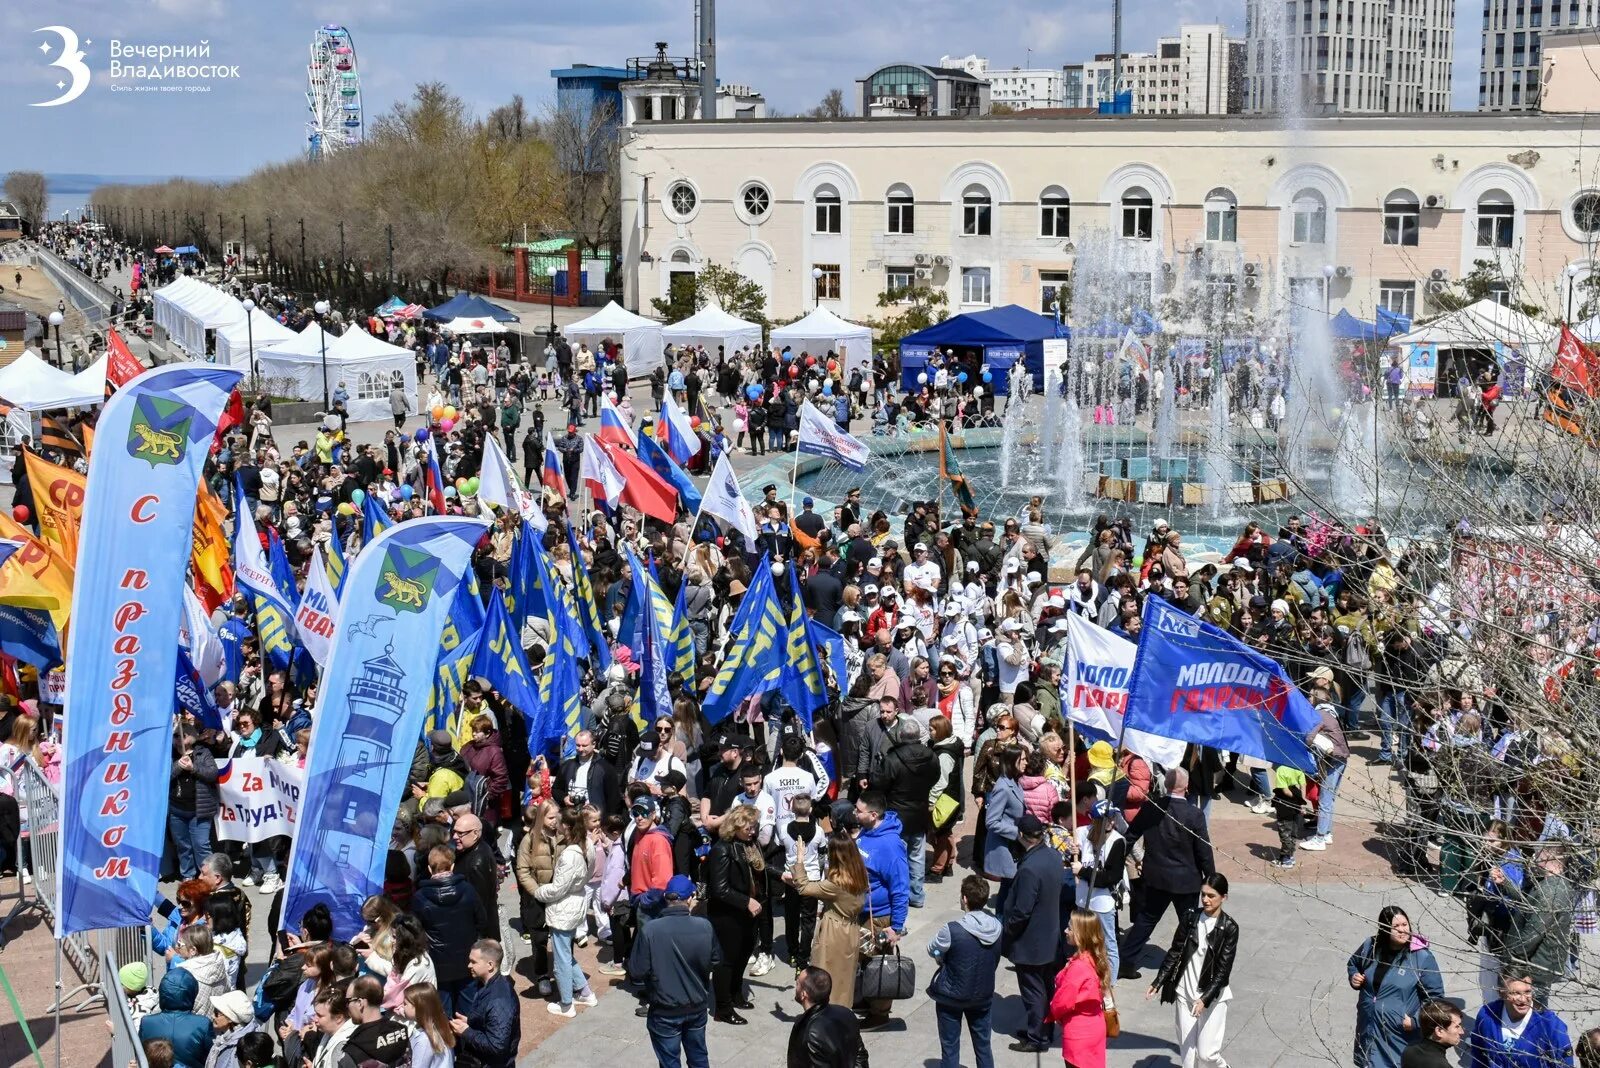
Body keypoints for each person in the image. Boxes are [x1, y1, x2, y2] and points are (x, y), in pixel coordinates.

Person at [1120, 767, 1214, 979]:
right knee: (1189, 923)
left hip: (1156, 877)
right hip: (1186, 880)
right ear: (1187, 787)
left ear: (1167, 785)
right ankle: (1191, 965)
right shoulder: (1194, 815)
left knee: (1146, 919)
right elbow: (1204, 851)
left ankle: (1126, 960)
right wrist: (1211, 880)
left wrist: (1115, 862)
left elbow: (1130, 835)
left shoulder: (1151, 808)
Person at [1147, 872, 1238, 1068]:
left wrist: (1205, 999)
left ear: (1224, 897)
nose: (1205, 899)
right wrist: (1159, 980)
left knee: (1207, 1055)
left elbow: (1223, 970)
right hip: (1185, 994)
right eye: (1203, 894)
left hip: (1212, 998)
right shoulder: (1190, 918)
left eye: (1211, 895)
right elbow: (1176, 950)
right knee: (1188, 1059)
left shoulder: (1229, 928)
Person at [630, 875, 718, 1068]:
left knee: (669, 1063)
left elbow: (637, 971)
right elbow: (715, 960)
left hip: (664, 1009)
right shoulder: (705, 926)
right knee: (699, 1058)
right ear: (689, 898)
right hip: (696, 1006)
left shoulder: (650, 930)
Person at [1349, 906, 1445, 1068]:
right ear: (1385, 929)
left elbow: (1435, 998)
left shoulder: (1421, 957)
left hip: (1398, 1035)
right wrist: (1354, 977)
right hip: (1368, 1027)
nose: (1402, 930)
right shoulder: (1370, 946)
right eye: (1396, 927)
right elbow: (1353, 963)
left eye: (1405, 925)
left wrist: (1415, 1021)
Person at [787, 829, 869, 1012]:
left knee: (824, 976)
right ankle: (843, 1013)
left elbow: (804, 887)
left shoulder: (837, 882)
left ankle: (822, 1016)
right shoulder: (859, 873)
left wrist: (800, 859)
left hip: (834, 932)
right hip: (851, 929)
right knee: (845, 979)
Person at [927, 874, 1003, 1068]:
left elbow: (933, 949)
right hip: (983, 995)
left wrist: (939, 955)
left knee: (950, 1047)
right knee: (983, 1046)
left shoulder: (952, 930)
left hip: (951, 996)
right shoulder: (997, 927)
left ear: (965, 899)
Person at [411, 845, 495, 1014]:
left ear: (429, 868)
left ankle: (447, 1039)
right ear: (452, 866)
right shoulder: (468, 890)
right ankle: (468, 1038)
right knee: (468, 1008)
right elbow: (482, 921)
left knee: (442, 1011)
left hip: (437, 964)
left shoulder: (419, 898)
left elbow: (415, 932)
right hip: (467, 960)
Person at [1006, 813, 1064, 1054]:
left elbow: (1022, 911)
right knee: (1046, 987)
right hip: (1050, 936)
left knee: (1034, 991)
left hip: (1031, 942)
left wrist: (1007, 929)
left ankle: (1036, 1037)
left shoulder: (1030, 868)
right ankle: (1044, 1029)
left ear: (1022, 836)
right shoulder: (1053, 855)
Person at [852, 791, 910, 1029]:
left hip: (880, 917)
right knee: (863, 959)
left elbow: (900, 889)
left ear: (873, 815)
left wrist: (895, 927)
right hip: (864, 912)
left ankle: (880, 1013)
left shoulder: (891, 848)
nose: (855, 813)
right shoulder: (867, 831)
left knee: (878, 962)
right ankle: (867, 1000)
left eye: (859, 810)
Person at [535, 807, 600, 1018]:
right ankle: (585, 992)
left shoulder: (570, 855)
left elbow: (557, 889)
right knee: (565, 954)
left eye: (560, 822)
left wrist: (538, 891)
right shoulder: (588, 844)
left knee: (561, 959)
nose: (556, 825)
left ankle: (566, 1003)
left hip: (564, 908)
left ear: (568, 827)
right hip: (576, 903)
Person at [706, 803, 764, 1025]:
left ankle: (735, 994)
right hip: (727, 915)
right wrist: (746, 901)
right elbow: (719, 889)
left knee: (743, 954)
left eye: (754, 827)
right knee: (726, 960)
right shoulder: (722, 849)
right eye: (748, 827)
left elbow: (759, 868)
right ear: (736, 826)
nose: (753, 831)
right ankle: (722, 1008)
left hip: (748, 912)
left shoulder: (748, 844)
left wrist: (782, 876)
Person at [1462, 968, 1573, 1068]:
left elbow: (1565, 1065)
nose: (1523, 999)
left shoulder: (1551, 1026)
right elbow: (1479, 1057)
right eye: (1515, 993)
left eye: (1527, 992)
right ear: (1501, 993)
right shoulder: (1487, 1015)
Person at [1048, 909, 1111, 1068]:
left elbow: (1062, 1002)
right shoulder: (1095, 957)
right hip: (1095, 1027)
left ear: (1080, 934)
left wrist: (1051, 1014)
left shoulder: (1078, 967)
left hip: (1079, 1034)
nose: (1065, 930)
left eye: (1070, 928)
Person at [449, 941, 519, 1068]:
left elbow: (496, 1046)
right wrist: (471, 1021)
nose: (469, 965)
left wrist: (466, 1031)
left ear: (490, 965)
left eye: (474, 962)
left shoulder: (499, 1000)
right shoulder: (488, 985)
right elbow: (491, 1022)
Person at [787, 967, 862, 1068]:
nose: (796, 985)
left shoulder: (809, 1034)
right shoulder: (846, 1013)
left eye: (797, 983)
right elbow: (860, 1054)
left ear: (803, 995)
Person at [137, 969, 214, 1068]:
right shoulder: (203, 1023)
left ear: (163, 993)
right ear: (191, 994)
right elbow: (211, 1056)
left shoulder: (146, 1022)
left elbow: (141, 1053)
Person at [340, 974, 410, 1067]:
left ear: (360, 1003)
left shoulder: (353, 1050)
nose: (347, 1006)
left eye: (348, 1001)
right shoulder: (401, 1032)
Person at [400, 982, 456, 1068]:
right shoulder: (439, 1028)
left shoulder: (424, 1039)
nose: (402, 1007)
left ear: (419, 1007)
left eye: (405, 1004)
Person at [1402, 1000, 1465, 1068]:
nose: (1462, 1032)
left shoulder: (1409, 1050)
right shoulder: (1440, 1065)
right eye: (1457, 1026)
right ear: (1439, 1031)